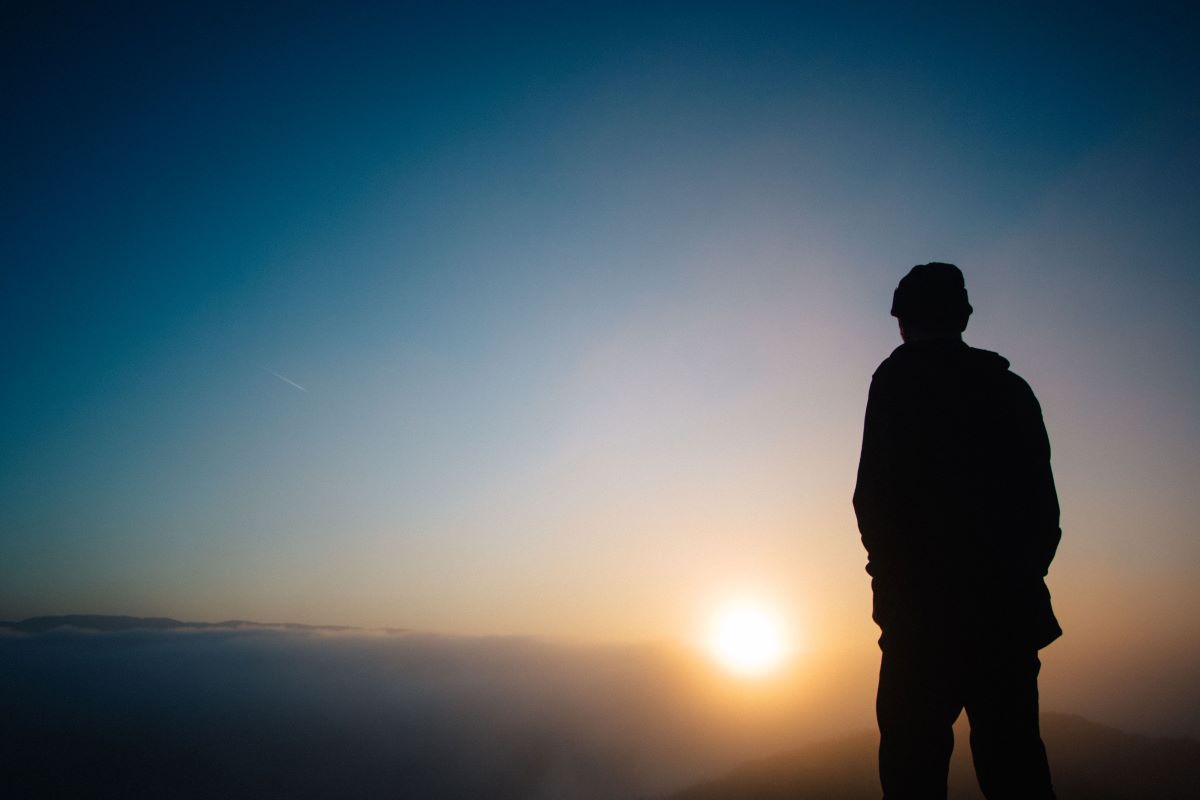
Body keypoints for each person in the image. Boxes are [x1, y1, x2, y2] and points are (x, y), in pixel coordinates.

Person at [853, 263, 1061, 799]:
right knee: (1014, 763)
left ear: (904, 321)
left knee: (912, 769)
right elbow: (1043, 511)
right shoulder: (1011, 389)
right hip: (1006, 616)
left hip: (922, 621)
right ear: (963, 316)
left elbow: (873, 498)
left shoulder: (898, 381)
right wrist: (1015, 578)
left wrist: (896, 585)